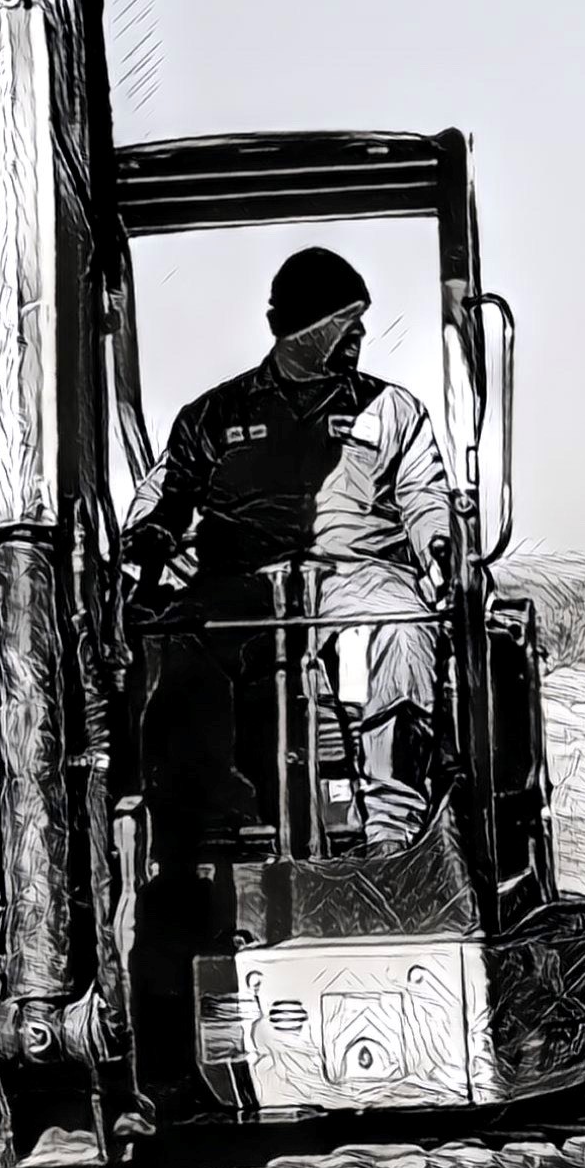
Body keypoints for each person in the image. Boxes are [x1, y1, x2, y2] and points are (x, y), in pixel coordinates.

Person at [123, 247, 454, 856]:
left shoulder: (392, 410)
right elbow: (163, 498)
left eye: (361, 319)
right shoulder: (213, 415)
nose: (359, 332)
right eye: (344, 320)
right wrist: (150, 535)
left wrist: (436, 542)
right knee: (174, 650)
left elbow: (423, 491)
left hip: (359, 576)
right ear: (300, 329)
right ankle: (197, 836)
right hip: (243, 584)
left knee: (405, 627)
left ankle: (392, 829)